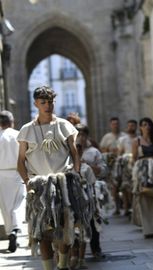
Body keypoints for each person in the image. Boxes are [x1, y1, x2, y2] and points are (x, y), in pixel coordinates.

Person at [17, 86, 81, 270]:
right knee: (43, 232)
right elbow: (20, 161)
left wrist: (76, 175)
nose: (48, 105)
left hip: (64, 183)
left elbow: (75, 153)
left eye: (50, 101)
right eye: (43, 102)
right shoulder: (26, 130)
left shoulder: (64, 125)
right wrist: (27, 182)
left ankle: (62, 264)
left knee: (65, 227)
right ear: (36, 103)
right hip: (39, 186)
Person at [74, 124, 107, 262]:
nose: (80, 137)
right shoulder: (69, 149)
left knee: (94, 220)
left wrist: (89, 166)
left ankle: (96, 249)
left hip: (92, 189)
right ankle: (75, 253)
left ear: (87, 136)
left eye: (83, 134)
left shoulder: (94, 152)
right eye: (78, 134)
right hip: (75, 190)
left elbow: (104, 169)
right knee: (75, 221)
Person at [0, 111, 26, 253]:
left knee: (5, 206)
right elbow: (25, 155)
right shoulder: (18, 135)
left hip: (1, 174)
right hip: (17, 172)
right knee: (19, 203)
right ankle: (16, 228)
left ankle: (11, 232)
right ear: (12, 121)